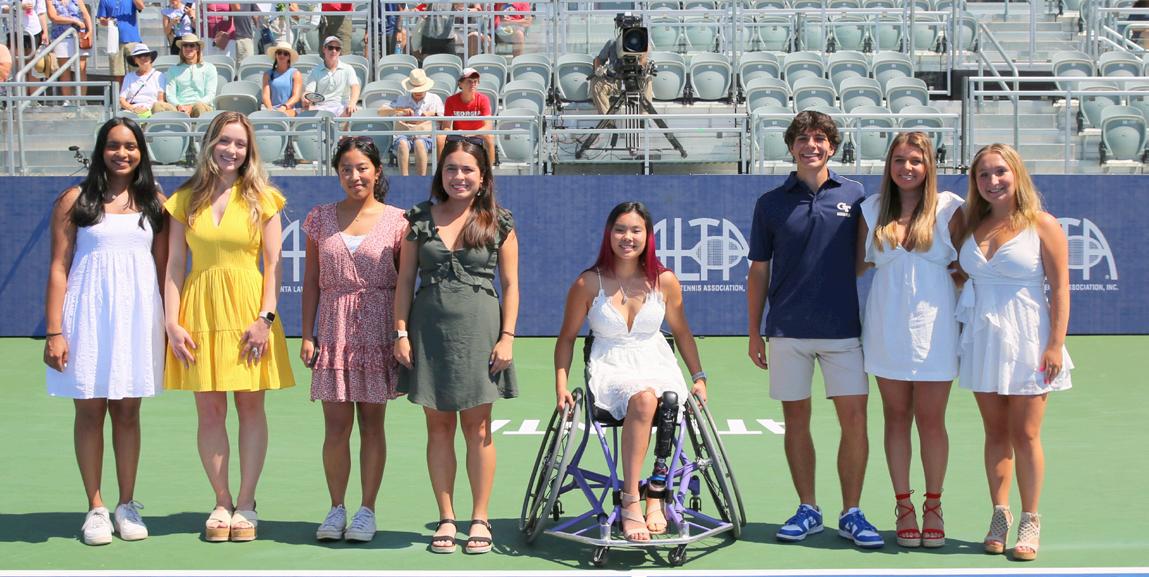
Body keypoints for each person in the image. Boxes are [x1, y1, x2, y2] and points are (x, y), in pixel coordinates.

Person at [746, 110, 883, 549]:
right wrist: (755, 332)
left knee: (855, 421)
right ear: (791, 147)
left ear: (832, 146)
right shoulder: (770, 203)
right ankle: (808, 508)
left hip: (843, 331)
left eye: (820, 138)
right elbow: (759, 270)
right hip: (787, 331)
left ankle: (852, 512)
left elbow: (862, 258)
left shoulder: (856, 195)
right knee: (796, 421)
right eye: (803, 138)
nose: (811, 145)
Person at [163, 111, 295, 543]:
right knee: (209, 410)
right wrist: (171, 322)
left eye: (240, 143)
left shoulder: (265, 199)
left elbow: (273, 265)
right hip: (198, 314)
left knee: (251, 408)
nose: (231, 150)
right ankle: (221, 502)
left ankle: (248, 502)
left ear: (249, 150)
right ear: (209, 143)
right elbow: (174, 266)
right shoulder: (184, 200)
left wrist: (265, 319)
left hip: (249, 313)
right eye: (224, 141)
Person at [43, 117, 167, 546]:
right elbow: (58, 267)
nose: (122, 153)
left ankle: (126, 504)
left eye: (130, 146)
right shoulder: (74, 200)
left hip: (137, 319)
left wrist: (168, 326)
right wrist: (55, 331)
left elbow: (164, 270)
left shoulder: (155, 202)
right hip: (87, 318)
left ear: (141, 152)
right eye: (113, 145)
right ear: (101, 150)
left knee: (128, 413)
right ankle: (96, 508)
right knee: (90, 412)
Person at [553, 201, 708, 542]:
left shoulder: (665, 281)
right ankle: (631, 499)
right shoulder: (587, 283)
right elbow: (566, 339)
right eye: (620, 230)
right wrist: (561, 386)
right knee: (643, 399)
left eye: (636, 230)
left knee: (667, 399)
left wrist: (699, 378)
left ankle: (656, 490)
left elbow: (682, 333)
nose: (628, 237)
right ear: (608, 234)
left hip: (657, 361)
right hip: (610, 365)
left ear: (647, 236)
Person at [394, 136, 518, 555]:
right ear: (440, 173)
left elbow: (511, 285)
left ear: (483, 177)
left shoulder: (499, 222)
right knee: (438, 426)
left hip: (481, 332)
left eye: (468, 169)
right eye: (451, 168)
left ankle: (480, 517)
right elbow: (404, 282)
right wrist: (400, 332)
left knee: (478, 428)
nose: (459, 176)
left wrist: (507, 338)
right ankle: (446, 517)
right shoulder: (418, 219)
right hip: (429, 332)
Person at [957, 143, 1072, 562]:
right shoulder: (971, 224)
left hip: (1029, 340)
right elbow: (960, 273)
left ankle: (1030, 519)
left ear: (1016, 174)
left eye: (1000, 172)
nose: (992, 181)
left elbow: (1060, 287)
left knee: (1025, 435)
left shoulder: (1043, 224)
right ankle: (999, 515)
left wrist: (1055, 343)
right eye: (983, 174)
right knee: (995, 433)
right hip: (982, 339)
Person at [856, 132, 964, 549]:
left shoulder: (950, 207)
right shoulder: (870, 210)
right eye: (899, 160)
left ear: (929, 165)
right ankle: (903, 506)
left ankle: (934, 505)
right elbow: (854, 266)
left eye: (915, 160)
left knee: (932, 420)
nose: (907, 168)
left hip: (936, 329)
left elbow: (969, 264)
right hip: (886, 326)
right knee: (896, 417)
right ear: (889, 165)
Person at [300, 136, 406, 544]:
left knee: (373, 425)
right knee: (336, 427)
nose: (354, 176)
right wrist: (307, 334)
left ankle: (367, 511)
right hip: (333, 330)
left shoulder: (399, 221)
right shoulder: (319, 218)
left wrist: (400, 333)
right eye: (346, 169)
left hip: (378, 330)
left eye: (362, 168)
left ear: (377, 171)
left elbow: (405, 284)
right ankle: (336, 508)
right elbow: (311, 281)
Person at [386, 68, 442, 176]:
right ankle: (404, 180)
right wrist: (400, 110)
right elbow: (381, 111)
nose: (418, 92)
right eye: (415, 89)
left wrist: (432, 114)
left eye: (420, 89)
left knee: (419, 143)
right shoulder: (401, 99)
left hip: (427, 136)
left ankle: (421, 180)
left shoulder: (435, 99)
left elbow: (444, 118)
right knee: (402, 143)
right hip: (404, 135)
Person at [439, 68, 493, 166]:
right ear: (460, 84)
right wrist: (456, 132)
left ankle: (490, 170)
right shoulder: (451, 100)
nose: (473, 84)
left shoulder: (483, 99)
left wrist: (470, 133)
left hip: (477, 134)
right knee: (440, 138)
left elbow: (488, 126)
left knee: (489, 137)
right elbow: (446, 127)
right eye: (469, 81)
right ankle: (441, 169)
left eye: (475, 81)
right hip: (457, 134)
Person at [155, 33, 217, 117]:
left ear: (197, 48)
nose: (188, 48)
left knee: (199, 107)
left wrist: (192, 106)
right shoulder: (173, 70)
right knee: (157, 106)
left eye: (191, 45)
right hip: (178, 107)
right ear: (182, 48)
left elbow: (210, 94)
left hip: (201, 105)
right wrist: (179, 106)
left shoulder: (209, 68)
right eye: (185, 45)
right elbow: (170, 95)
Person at [302, 35, 360, 117]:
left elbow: (355, 87)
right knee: (300, 112)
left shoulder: (348, 68)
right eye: (330, 48)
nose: (334, 51)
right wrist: (305, 98)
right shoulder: (315, 71)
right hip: (321, 107)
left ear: (340, 51)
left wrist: (352, 103)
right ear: (324, 49)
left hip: (342, 107)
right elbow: (309, 91)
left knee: (350, 111)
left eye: (337, 48)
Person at [46, 0, 92, 99]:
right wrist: (74, 21)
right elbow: (53, 17)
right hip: (61, 37)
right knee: (64, 69)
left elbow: (85, 14)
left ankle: (82, 99)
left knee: (81, 68)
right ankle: (67, 99)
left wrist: (90, 30)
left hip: (79, 36)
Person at [96, 0, 143, 83]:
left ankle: (136, 91)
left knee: (136, 71)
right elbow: (101, 19)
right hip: (114, 42)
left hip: (132, 39)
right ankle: (120, 91)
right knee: (117, 74)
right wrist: (106, 21)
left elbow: (141, 6)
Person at [118, 44, 166, 117]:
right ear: (135, 60)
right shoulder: (129, 76)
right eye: (139, 56)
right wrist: (133, 109)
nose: (143, 58)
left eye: (146, 55)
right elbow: (122, 100)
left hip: (152, 111)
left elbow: (160, 99)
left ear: (150, 58)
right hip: (131, 110)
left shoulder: (159, 75)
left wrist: (147, 109)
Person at [261, 41, 302, 115]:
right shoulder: (267, 74)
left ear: (289, 57)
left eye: (285, 53)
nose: (282, 55)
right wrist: (270, 110)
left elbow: (296, 96)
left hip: (291, 110)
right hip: (273, 110)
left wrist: (284, 107)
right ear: (276, 55)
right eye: (279, 53)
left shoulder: (296, 74)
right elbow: (265, 96)